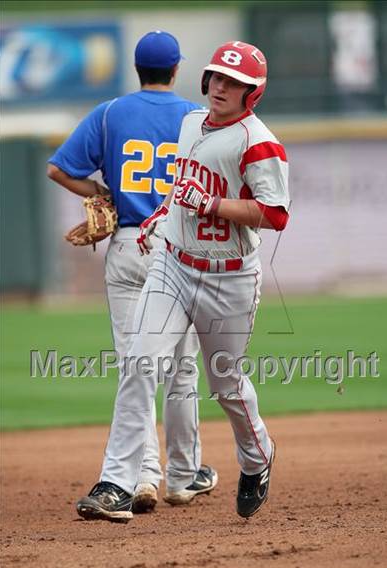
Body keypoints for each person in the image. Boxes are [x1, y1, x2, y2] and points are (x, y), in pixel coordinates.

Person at [77, 39, 290, 521]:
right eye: (216, 76)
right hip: (173, 265)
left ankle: (258, 458)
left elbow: (274, 214)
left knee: (226, 385)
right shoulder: (191, 122)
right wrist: (161, 216)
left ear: (251, 93)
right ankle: (117, 482)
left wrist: (211, 204)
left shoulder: (258, 142)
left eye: (233, 82)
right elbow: (182, 188)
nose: (220, 86)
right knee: (139, 363)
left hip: (229, 279)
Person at [47, 30, 218, 523]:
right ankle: (183, 478)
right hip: (180, 249)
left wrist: (100, 190)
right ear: (177, 70)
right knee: (182, 367)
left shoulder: (109, 113)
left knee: (134, 366)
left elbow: (59, 168)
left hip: (127, 244)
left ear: (138, 69)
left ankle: (143, 474)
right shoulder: (195, 118)